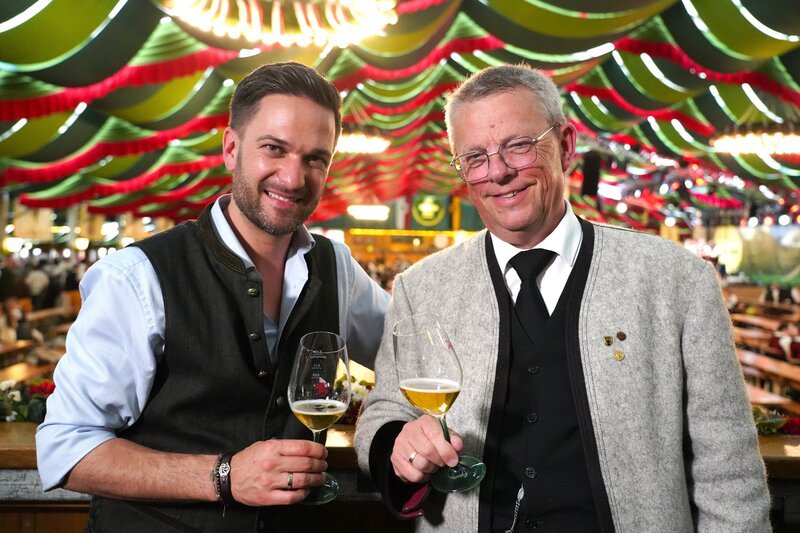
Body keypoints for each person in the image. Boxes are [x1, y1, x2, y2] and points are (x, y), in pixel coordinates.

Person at [354, 64, 770, 532]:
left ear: (566, 146)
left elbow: (728, 472)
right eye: (475, 157)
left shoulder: (676, 280)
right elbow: (384, 413)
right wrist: (402, 443)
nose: (499, 172)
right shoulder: (421, 287)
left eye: (518, 146)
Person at [36, 62, 389, 532]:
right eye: (274, 149)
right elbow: (68, 448)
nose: (293, 177)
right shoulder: (137, 275)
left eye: (315, 159)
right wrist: (224, 477)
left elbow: (410, 350)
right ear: (231, 148)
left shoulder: (336, 265)